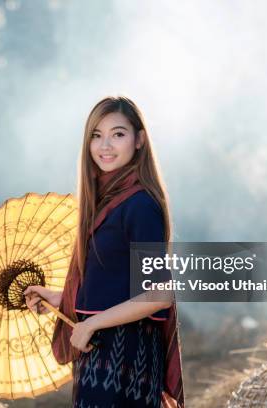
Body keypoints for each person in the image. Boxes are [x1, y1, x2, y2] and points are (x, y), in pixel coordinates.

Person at [24, 96, 185, 408]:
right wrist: (62, 298)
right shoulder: (107, 201)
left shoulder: (140, 205)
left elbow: (159, 294)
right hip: (100, 352)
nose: (105, 146)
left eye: (118, 134)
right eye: (96, 135)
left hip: (125, 355)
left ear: (140, 140)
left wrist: (91, 324)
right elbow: (114, 282)